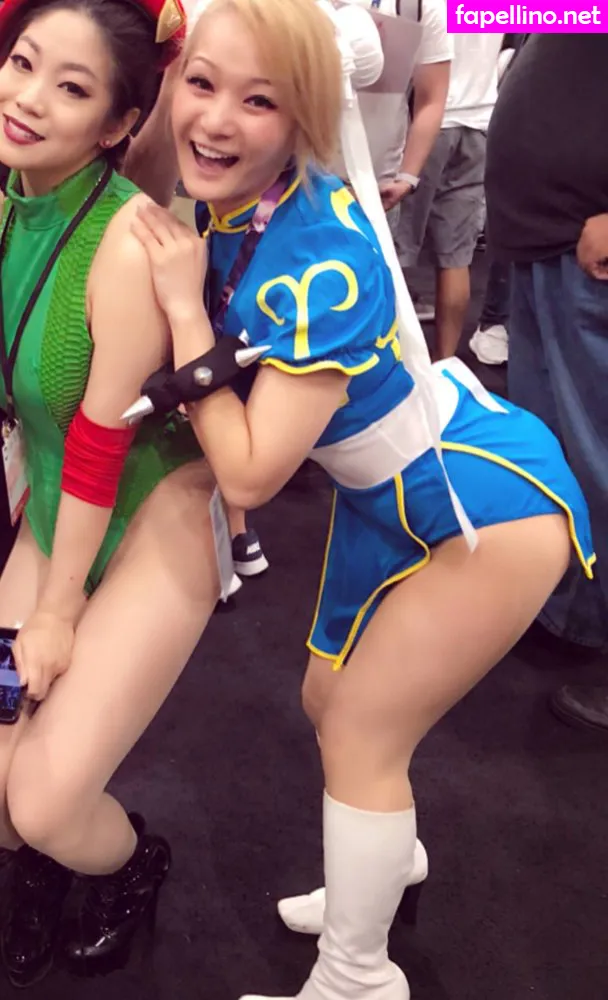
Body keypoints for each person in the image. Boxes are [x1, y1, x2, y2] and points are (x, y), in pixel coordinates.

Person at [130, 0, 593, 996]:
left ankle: (358, 975)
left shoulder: (318, 260)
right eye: (202, 84)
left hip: (481, 508)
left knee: (360, 734)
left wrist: (179, 313)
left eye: (259, 101)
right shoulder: (248, 202)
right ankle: (380, 862)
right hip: (387, 496)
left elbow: (252, 474)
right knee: (329, 701)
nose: (215, 120)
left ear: (303, 115)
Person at [0, 0, 220, 986]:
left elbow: (99, 441)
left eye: (71, 87)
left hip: (148, 518)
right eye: (22, 63)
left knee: (43, 804)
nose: (28, 98)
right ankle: (42, 866)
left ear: (118, 122)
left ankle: (131, 864)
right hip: (54, 503)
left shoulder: (125, 240)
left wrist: (56, 612)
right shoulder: (12, 198)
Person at [485, 34, 608, 733]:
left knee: (596, 454)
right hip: (548, 238)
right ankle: (572, 610)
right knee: (553, 448)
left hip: (587, 250)